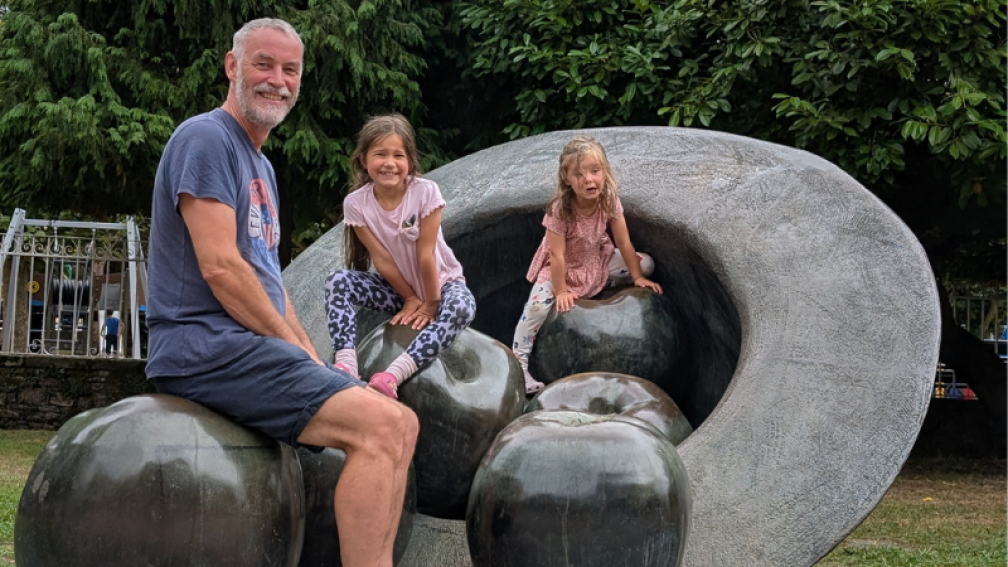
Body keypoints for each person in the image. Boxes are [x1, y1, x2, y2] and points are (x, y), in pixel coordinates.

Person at [145, 19, 418, 567]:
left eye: (289, 69)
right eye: (263, 65)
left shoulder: (262, 167)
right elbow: (222, 269)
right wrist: (296, 354)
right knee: (382, 426)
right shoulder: (205, 139)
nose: (277, 80)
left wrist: (315, 360)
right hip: (201, 349)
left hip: (240, 348)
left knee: (400, 421)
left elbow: (269, 283)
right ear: (232, 67)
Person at [324, 114, 476, 400]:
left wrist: (430, 304)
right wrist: (409, 297)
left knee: (462, 308)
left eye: (398, 155)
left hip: (441, 286)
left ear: (410, 161)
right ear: (363, 159)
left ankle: (392, 375)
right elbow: (381, 258)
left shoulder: (425, 192)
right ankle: (345, 365)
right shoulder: (356, 204)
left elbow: (426, 253)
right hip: (399, 291)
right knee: (338, 282)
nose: (389, 163)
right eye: (380, 154)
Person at [512, 135, 663, 394]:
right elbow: (557, 256)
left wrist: (637, 277)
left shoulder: (608, 199)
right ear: (567, 179)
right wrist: (560, 291)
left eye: (595, 171)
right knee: (536, 307)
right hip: (562, 269)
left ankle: (607, 283)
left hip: (597, 260)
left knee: (645, 263)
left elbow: (624, 243)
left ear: (604, 171)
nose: (589, 180)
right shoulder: (560, 209)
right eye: (579, 175)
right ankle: (519, 365)